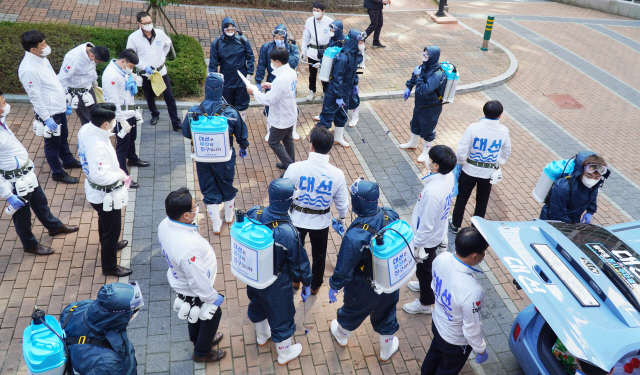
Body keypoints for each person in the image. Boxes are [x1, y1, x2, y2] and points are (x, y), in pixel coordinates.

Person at [328, 179, 402, 361]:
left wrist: (334, 286)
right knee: (386, 313)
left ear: (357, 202)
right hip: (389, 280)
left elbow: (344, 268)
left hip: (363, 285)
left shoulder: (354, 237)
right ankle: (386, 350)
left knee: (352, 311)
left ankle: (342, 336)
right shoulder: (390, 214)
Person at [0, 90, 79, 256]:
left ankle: (54, 226)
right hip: (14, 182)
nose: (6, 105)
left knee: (40, 202)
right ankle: (30, 244)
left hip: (26, 175)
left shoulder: (1, 123)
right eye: (2, 103)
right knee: (22, 216)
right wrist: (8, 195)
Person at [243, 179, 312, 365]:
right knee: (281, 314)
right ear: (288, 201)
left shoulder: (254, 213)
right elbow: (299, 263)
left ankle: (262, 336)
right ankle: (284, 353)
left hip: (254, 274)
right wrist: (306, 281)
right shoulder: (288, 232)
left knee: (257, 303)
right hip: (277, 281)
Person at [158, 188, 227, 362]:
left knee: (194, 312)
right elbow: (197, 281)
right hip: (194, 289)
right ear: (186, 215)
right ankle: (202, 352)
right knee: (212, 314)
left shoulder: (165, 224)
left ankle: (199, 340)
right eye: (195, 207)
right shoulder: (187, 248)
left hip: (180, 282)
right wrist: (212, 297)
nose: (197, 208)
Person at [283, 126, 349, 294]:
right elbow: (342, 203)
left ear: (311, 145)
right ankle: (315, 286)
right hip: (321, 222)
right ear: (330, 147)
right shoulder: (337, 174)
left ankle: (296, 280)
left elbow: (284, 193)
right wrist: (341, 218)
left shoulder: (295, 168)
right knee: (319, 255)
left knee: (297, 251)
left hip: (296, 219)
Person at [182, 73, 249, 234]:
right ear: (221, 89)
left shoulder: (194, 110)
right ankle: (228, 216)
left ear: (206, 89)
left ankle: (216, 225)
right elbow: (242, 134)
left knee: (209, 190)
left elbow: (185, 132)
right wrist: (243, 147)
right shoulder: (231, 112)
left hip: (202, 158)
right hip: (225, 158)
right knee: (226, 186)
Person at [421, 227, 490, 374]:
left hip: (438, 323)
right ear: (474, 256)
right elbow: (471, 327)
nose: (484, 255)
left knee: (434, 355)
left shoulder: (441, 258)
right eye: (483, 252)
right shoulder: (472, 291)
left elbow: (434, 286)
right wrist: (480, 348)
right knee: (448, 369)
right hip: (455, 340)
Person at [18, 30, 81, 184]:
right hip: (50, 113)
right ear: (33, 49)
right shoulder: (28, 70)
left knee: (63, 138)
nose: (46, 46)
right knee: (52, 145)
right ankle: (58, 172)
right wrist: (47, 118)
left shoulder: (41, 57)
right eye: (43, 45)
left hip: (58, 108)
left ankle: (67, 160)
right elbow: (35, 97)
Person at [78, 103, 132, 277]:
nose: (114, 123)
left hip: (97, 193)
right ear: (105, 124)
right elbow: (100, 176)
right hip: (104, 192)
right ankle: (109, 266)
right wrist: (120, 176)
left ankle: (109, 243)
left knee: (105, 222)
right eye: (113, 121)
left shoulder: (86, 128)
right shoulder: (97, 146)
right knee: (112, 228)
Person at [403, 145, 457, 315]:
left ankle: (425, 303)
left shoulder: (433, 192)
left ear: (436, 166)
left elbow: (426, 225)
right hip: (436, 235)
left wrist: (415, 245)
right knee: (426, 268)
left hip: (426, 240)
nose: (428, 160)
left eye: (431, 159)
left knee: (425, 269)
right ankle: (423, 285)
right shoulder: (448, 176)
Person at [450, 100, 511, 233]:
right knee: (482, 201)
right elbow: (506, 150)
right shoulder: (503, 130)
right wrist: (499, 161)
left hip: (469, 169)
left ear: (484, 112)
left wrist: (460, 162)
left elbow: (462, 149)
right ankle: (476, 228)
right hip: (488, 172)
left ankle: (455, 224)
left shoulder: (473, 127)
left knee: (462, 198)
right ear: (500, 115)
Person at [60, 282, 142, 374]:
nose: (134, 314)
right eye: (134, 311)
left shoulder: (77, 307)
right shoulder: (108, 363)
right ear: (121, 316)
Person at [102, 48, 151, 189]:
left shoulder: (123, 71)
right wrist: (121, 120)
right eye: (131, 66)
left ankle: (133, 159)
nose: (132, 69)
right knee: (122, 146)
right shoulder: (111, 75)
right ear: (123, 61)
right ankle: (123, 176)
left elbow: (134, 86)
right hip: (121, 115)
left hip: (130, 111)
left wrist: (135, 78)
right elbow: (113, 102)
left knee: (132, 138)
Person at [246, 47, 298, 175]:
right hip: (289, 114)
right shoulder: (290, 72)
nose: (271, 63)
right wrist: (271, 85)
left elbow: (268, 100)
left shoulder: (281, 80)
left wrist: (254, 92)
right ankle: (290, 163)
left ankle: (291, 168)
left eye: (272, 61)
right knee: (288, 140)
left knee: (273, 142)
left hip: (282, 117)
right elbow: (282, 90)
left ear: (278, 62)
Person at [126, 11, 181, 131]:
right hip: (146, 73)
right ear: (139, 24)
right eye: (145, 23)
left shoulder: (160, 33)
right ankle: (154, 114)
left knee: (169, 97)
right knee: (149, 96)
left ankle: (176, 122)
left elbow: (168, 44)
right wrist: (143, 66)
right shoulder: (133, 38)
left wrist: (162, 58)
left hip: (161, 72)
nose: (149, 25)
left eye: (150, 22)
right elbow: (130, 56)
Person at [316, 29, 364, 147]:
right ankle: (318, 142)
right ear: (353, 42)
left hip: (346, 92)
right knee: (326, 117)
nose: (361, 45)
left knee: (342, 116)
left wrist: (354, 85)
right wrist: (338, 96)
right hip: (335, 93)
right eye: (360, 42)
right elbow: (337, 79)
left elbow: (353, 73)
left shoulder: (354, 55)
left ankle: (338, 138)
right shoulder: (343, 58)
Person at [399, 46, 447, 164]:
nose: (424, 56)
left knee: (428, 130)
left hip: (431, 107)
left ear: (433, 57)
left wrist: (418, 76)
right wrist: (408, 87)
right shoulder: (424, 67)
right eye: (423, 54)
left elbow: (424, 89)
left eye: (427, 55)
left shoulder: (437, 75)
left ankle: (426, 152)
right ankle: (413, 143)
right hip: (420, 104)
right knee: (415, 124)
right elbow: (413, 78)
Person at [255, 24, 300, 140]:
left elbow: (293, 63)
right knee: (269, 106)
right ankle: (270, 130)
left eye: (281, 38)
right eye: (277, 38)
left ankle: (292, 129)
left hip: (287, 80)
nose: (279, 40)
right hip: (272, 79)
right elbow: (261, 65)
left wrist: (284, 51)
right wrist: (258, 81)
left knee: (289, 105)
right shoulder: (266, 47)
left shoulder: (292, 47)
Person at [540, 151, 608, 224]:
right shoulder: (563, 187)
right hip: (551, 221)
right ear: (581, 172)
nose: (592, 180)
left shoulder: (593, 184)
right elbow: (557, 213)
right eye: (589, 176)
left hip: (573, 219)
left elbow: (593, 195)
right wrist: (572, 227)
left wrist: (590, 211)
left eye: (597, 177)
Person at [209, 16, 255, 122]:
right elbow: (213, 64)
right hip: (226, 81)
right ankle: (228, 126)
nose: (230, 31)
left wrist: (250, 73)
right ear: (223, 30)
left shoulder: (242, 40)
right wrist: (213, 80)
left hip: (241, 81)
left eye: (232, 29)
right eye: (228, 29)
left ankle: (241, 126)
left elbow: (250, 57)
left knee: (242, 105)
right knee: (225, 105)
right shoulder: (216, 44)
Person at [57, 43, 110, 126]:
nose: (96, 63)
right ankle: (89, 136)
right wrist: (64, 95)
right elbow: (62, 78)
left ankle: (97, 132)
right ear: (92, 56)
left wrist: (94, 80)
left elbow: (92, 69)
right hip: (77, 92)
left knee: (96, 114)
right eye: (97, 62)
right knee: (87, 118)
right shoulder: (73, 59)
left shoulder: (93, 51)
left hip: (88, 88)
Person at [301, 2, 333, 101]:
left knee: (326, 73)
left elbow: (333, 37)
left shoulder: (330, 21)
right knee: (312, 74)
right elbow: (305, 37)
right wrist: (303, 51)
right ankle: (312, 91)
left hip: (326, 52)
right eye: (314, 10)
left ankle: (325, 91)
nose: (315, 12)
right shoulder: (309, 21)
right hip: (312, 52)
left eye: (318, 11)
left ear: (323, 11)